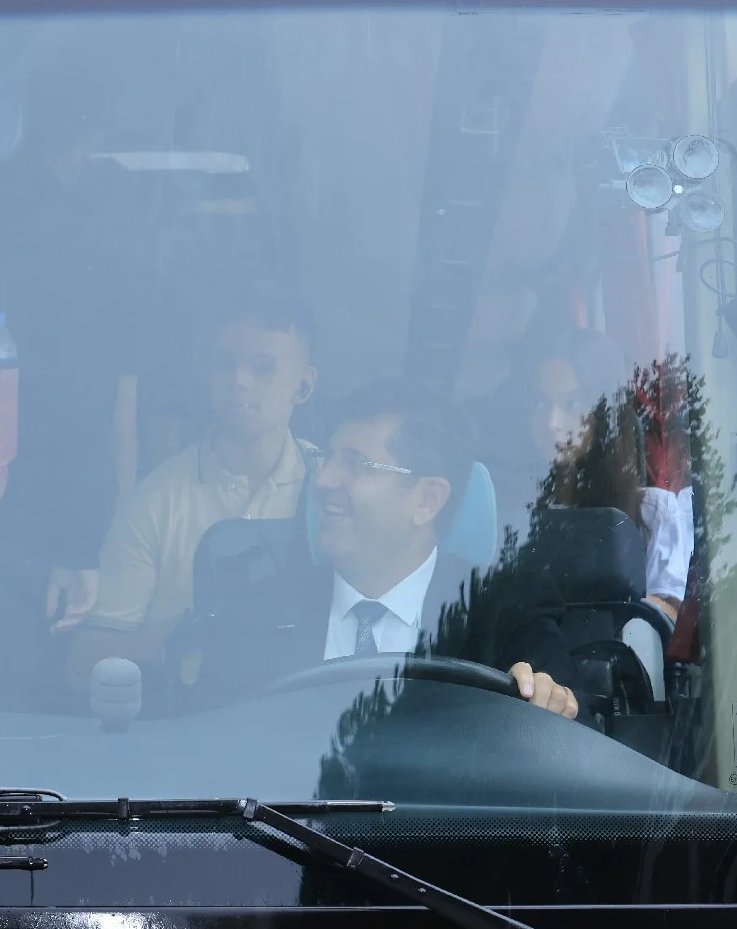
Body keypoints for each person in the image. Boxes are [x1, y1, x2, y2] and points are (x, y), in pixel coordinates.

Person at [49, 302, 321, 668]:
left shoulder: (333, 490)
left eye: (263, 366)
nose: (239, 380)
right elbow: (81, 665)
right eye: (224, 363)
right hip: (188, 704)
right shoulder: (154, 501)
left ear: (303, 385)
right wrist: (177, 641)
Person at [303, 390, 579, 717]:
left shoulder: (506, 609)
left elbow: (574, 727)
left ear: (427, 500)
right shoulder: (264, 606)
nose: (323, 480)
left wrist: (546, 699)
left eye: (356, 463)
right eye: (327, 458)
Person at [518, 329, 693, 622]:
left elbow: (663, 621)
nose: (553, 422)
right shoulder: (511, 510)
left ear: (605, 415)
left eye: (573, 404)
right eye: (541, 404)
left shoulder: (654, 514)